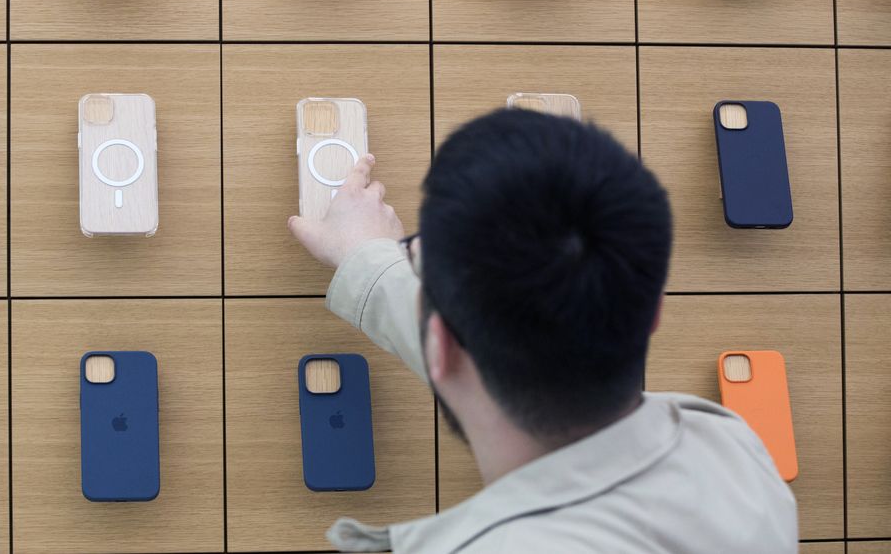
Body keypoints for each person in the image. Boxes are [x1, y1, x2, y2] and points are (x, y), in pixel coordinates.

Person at [288, 109, 798, 553]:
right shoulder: (732, 451)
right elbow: (502, 345)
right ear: (652, 312)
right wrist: (370, 261)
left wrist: (382, 260)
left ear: (438, 345)